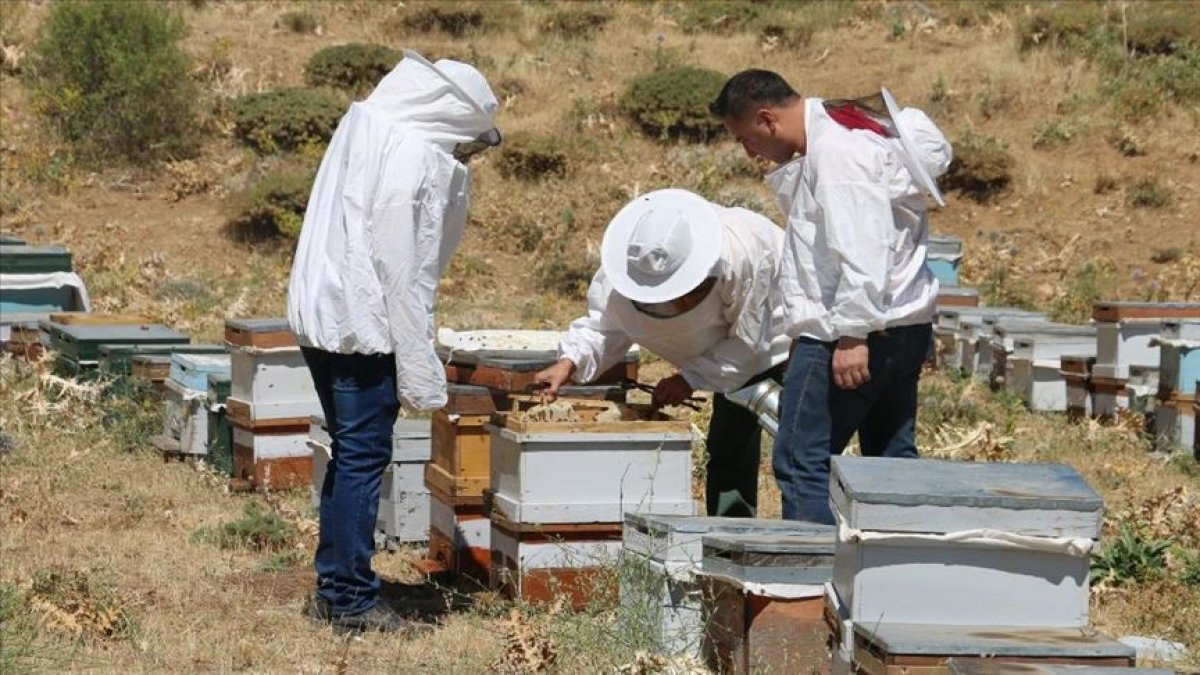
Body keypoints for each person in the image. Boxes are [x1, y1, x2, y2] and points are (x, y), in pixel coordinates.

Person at [287, 50, 501, 633]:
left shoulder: (368, 126)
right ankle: (351, 599)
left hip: (324, 315)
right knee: (362, 456)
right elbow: (402, 269)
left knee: (349, 452)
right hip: (361, 325)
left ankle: (339, 584)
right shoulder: (411, 155)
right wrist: (419, 361)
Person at [710, 70, 952, 525]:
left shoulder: (838, 151)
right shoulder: (856, 135)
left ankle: (809, 586)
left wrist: (851, 334)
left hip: (854, 330)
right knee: (890, 464)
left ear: (766, 119)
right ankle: (887, 577)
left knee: (804, 460)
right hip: (900, 328)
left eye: (745, 138)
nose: (749, 152)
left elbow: (860, 246)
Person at [535, 189, 791, 518]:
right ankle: (729, 542)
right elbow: (605, 325)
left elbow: (750, 342)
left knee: (796, 453)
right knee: (727, 451)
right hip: (721, 353)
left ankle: (806, 542)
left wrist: (690, 378)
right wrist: (569, 362)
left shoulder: (745, 253)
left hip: (782, 342)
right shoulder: (624, 271)